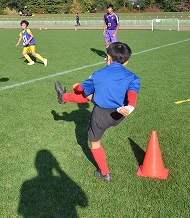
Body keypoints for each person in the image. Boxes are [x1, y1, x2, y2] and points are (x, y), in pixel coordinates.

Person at [54, 42, 140, 182]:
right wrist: (129, 108)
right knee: (91, 95)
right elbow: (132, 96)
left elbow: (80, 89)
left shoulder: (98, 74)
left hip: (101, 114)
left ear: (108, 57)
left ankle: (105, 173)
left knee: (95, 142)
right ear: (127, 62)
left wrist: (75, 86)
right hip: (119, 114)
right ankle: (63, 98)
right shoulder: (133, 77)